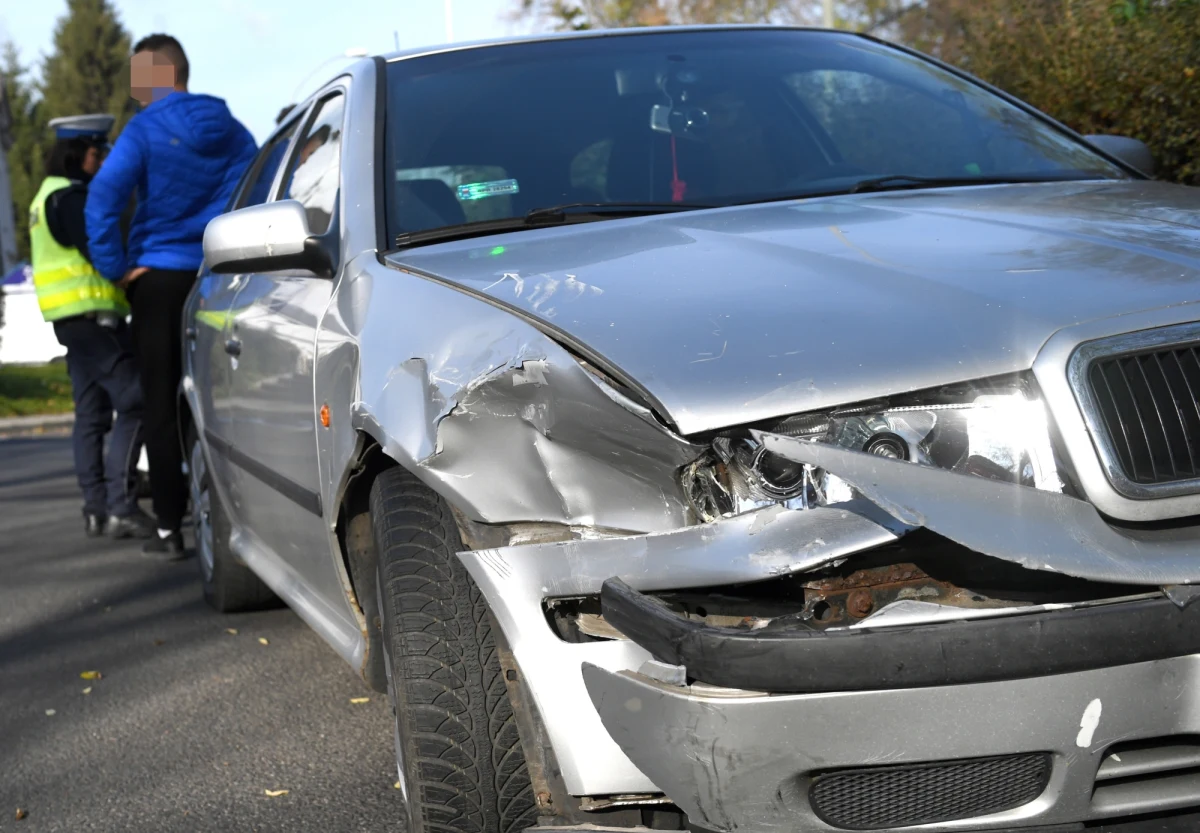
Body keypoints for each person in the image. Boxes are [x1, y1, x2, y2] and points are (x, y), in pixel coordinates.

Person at [85, 34, 257, 558]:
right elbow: (262, 187)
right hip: (218, 276)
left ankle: (169, 529)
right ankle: (242, 520)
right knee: (228, 398)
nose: (136, 90)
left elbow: (101, 202)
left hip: (157, 281)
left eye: (139, 77)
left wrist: (116, 271)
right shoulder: (233, 131)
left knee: (160, 405)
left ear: (160, 75)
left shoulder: (144, 131)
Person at [29, 115, 154, 540]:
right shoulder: (71, 198)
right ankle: (120, 506)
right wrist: (129, 275)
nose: (100, 161)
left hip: (74, 322)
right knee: (135, 399)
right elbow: (99, 249)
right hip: (92, 319)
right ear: (75, 155)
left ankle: (96, 509)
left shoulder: (47, 196)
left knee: (91, 414)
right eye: (95, 153)